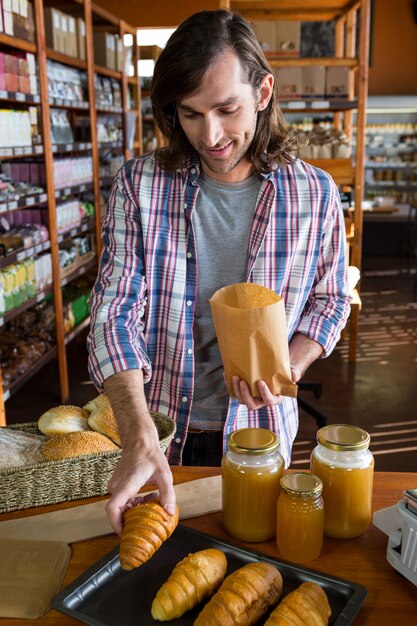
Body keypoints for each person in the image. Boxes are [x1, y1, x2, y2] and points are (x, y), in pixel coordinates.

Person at [87, 9, 351, 534]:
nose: (211, 135)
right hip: (157, 434)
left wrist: (289, 368)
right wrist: (138, 434)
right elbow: (112, 313)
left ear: (263, 92)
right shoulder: (139, 186)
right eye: (189, 114)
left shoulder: (314, 194)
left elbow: (331, 300)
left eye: (227, 109)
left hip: (260, 435)